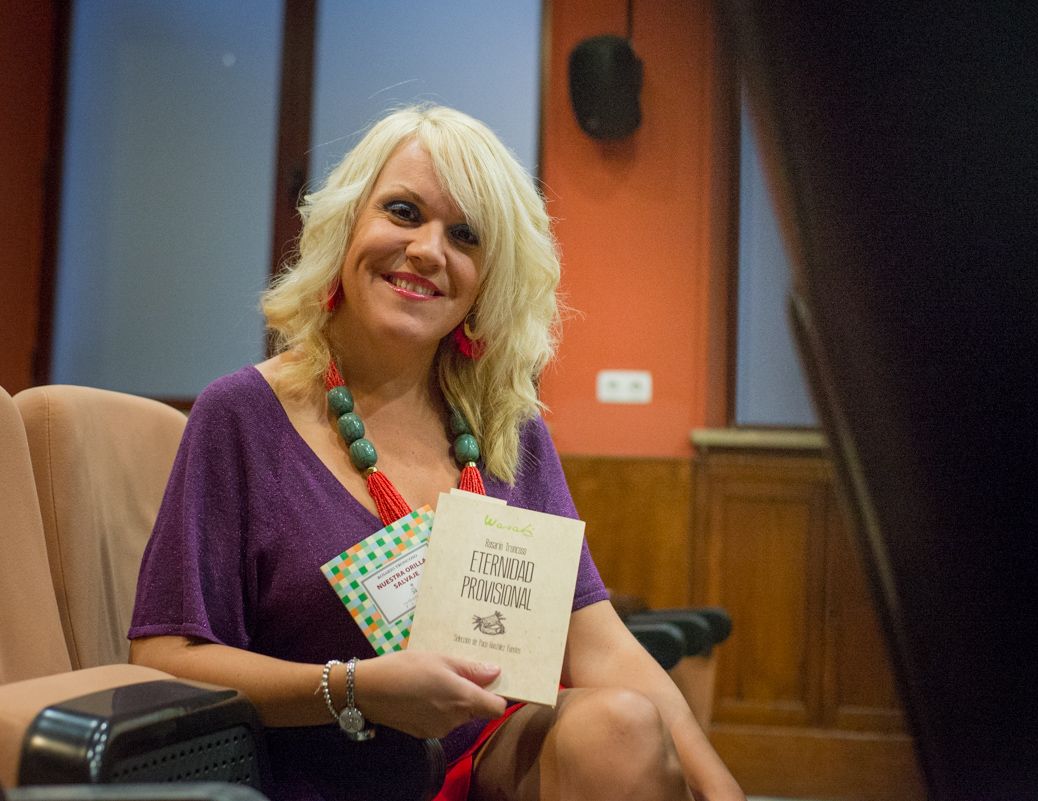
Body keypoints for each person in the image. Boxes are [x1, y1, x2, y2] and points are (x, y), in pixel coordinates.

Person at [128, 105, 744, 801]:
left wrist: (722, 788)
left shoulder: (509, 434)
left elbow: (601, 646)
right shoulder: (239, 416)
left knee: (619, 724)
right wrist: (353, 687)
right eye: (402, 211)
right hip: (321, 781)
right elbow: (163, 660)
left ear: (486, 281)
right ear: (346, 226)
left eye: (465, 235)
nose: (427, 249)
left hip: (488, 765)